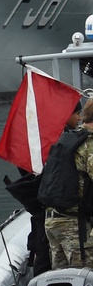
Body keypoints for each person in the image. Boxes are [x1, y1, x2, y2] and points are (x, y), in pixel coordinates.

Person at [46, 98, 93, 269]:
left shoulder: (67, 139)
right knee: (85, 283)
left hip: (54, 221)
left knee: (63, 284)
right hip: (75, 227)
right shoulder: (90, 145)